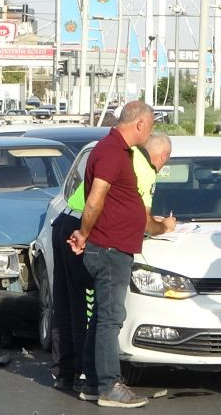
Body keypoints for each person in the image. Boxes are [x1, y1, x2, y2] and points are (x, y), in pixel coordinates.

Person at [51, 132, 174, 393]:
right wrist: (164, 227)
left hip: (66, 220)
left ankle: (68, 374)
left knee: (69, 303)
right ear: (163, 157)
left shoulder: (123, 155)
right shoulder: (144, 168)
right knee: (101, 311)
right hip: (89, 227)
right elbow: (142, 218)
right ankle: (92, 377)